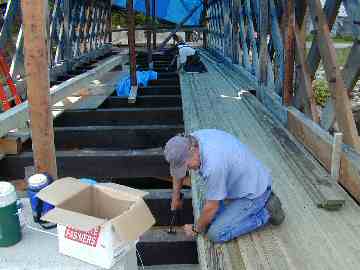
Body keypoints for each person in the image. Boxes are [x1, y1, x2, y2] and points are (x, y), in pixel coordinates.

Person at [164, 129, 285, 243]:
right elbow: (178, 172)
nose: (188, 169)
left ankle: (266, 212)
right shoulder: (192, 139)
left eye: (186, 166)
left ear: (192, 151)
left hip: (255, 191)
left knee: (215, 234)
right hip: (242, 177)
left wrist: (195, 229)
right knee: (207, 218)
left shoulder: (213, 166)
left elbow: (212, 207)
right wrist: (175, 198)